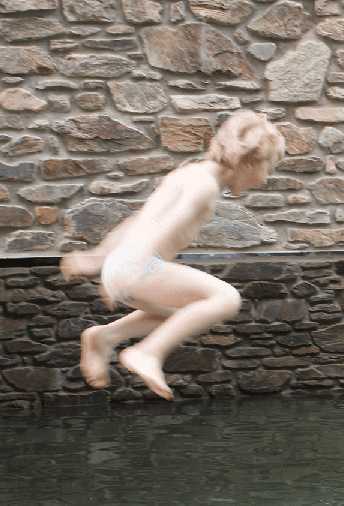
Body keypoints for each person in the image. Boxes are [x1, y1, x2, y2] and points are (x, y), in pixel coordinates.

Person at [61, 110, 285, 400]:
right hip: (137, 265)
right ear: (248, 159)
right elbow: (164, 225)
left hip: (123, 261)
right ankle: (146, 352)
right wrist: (135, 264)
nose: (265, 179)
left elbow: (138, 220)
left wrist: (97, 259)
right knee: (226, 298)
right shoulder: (204, 185)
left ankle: (105, 336)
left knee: (187, 314)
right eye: (268, 167)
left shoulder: (189, 173)